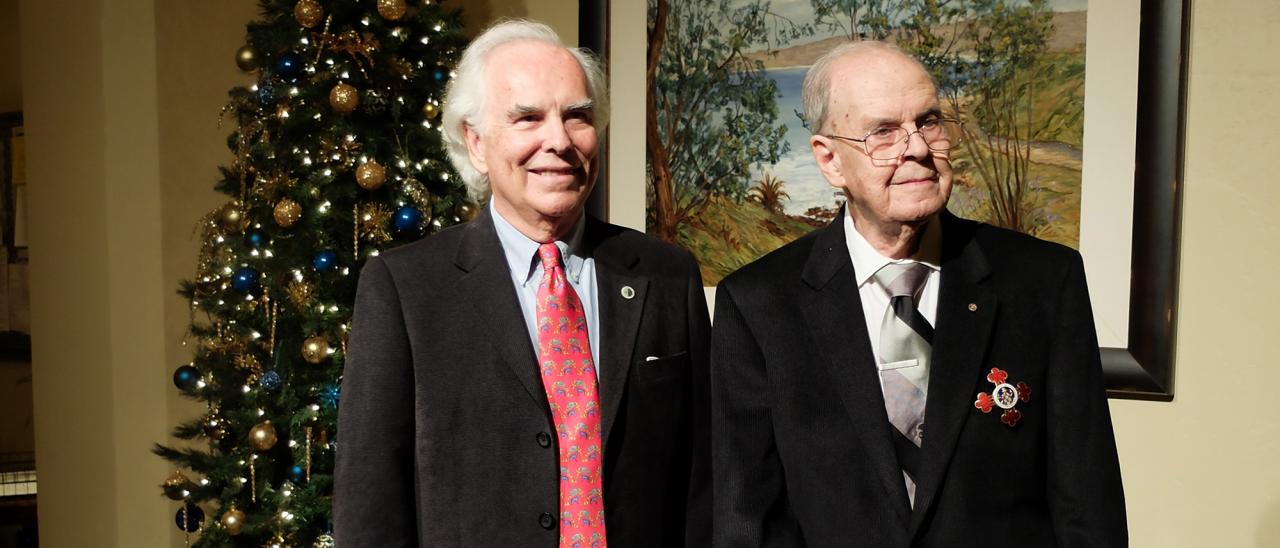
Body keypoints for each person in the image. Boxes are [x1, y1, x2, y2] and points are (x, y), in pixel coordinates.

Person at [709, 41, 1126, 546]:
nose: (918, 148)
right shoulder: (759, 303)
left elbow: (1086, 503)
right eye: (883, 132)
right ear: (830, 160)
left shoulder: (1042, 282)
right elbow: (746, 514)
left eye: (928, 122)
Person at [334, 20, 710, 547]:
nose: (558, 140)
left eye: (576, 116)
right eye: (527, 118)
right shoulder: (404, 289)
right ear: (477, 142)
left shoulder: (666, 275)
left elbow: (703, 484)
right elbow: (369, 508)